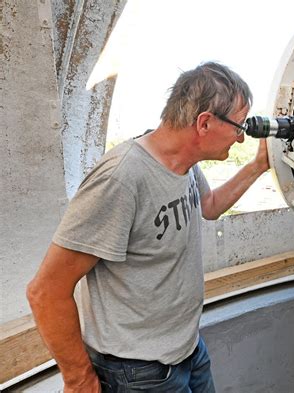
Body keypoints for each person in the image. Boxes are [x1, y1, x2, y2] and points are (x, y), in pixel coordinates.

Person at [27, 62, 269, 393]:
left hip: (186, 351)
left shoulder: (183, 164)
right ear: (204, 123)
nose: (241, 137)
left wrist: (258, 166)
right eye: (238, 126)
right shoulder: (121, 179)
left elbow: (209, 206)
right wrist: (79, 378)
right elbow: (46, 291)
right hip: (139, 372)